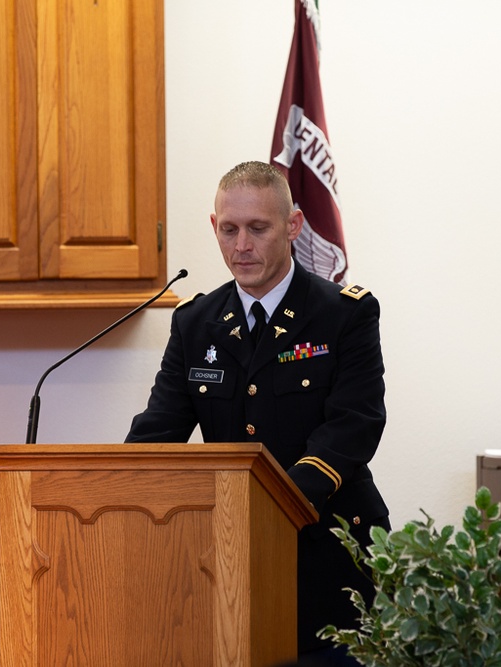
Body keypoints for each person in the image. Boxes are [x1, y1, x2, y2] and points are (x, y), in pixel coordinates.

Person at [126, 160, 389, 665]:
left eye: (257, 229)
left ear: (292, 226)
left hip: (327, 557)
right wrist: (115, 489)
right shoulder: (196, 322)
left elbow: (353, 426)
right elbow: (158, 431)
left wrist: (270, 504)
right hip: (225, 564)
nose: (241, 246)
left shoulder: (345, 314)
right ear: (214, 227)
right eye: (229, 229)